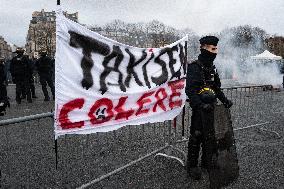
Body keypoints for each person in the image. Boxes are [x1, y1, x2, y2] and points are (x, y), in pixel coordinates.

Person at [185, 36, 233, 180]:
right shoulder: (194, 67)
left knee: (210, 137)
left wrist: (225, 101)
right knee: (197, 136)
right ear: (204, 48)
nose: (215, 52)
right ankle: (192, 165)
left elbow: (216, 88)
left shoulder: (213, 68)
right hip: (200, 110)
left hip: (211, 108)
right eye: (212, 49)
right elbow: (190, 90)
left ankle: (206, 162)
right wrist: (200, 105)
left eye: (216, 49)